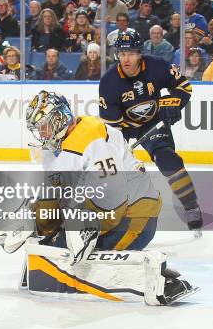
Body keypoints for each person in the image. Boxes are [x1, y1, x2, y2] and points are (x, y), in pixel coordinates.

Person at [18, 90, 197, 305]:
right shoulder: (58, 144)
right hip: (101, 208)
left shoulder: (92, 139)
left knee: (77, 255)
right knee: (56, 235)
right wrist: (35, 219)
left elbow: (114, 204)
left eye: (43, 126)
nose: (41, 133)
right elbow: (55, 192)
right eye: (37, 128)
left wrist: (81, 231)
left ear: (59, 118)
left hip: (135, 214)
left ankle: (159, 279)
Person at [99, 30, 203, 233]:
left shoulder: (157, 66)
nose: (126, 58)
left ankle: (192, 207)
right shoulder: (109, 82)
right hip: (123, 128)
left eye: (131, 53)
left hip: (152, 122)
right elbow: (112, 127)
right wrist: (118, 150)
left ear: (140, 53)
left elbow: (183, 87)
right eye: (121, 53)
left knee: (167, 159)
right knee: (112, 171)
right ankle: (112, 211)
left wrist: (171, 104)